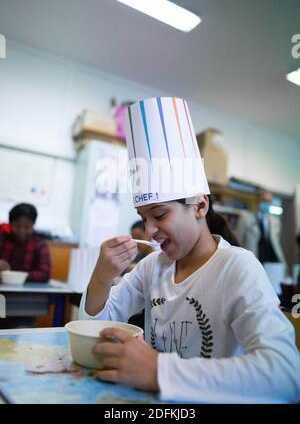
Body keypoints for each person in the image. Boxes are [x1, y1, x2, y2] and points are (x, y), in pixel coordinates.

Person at [79, 97, 300, 404]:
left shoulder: (238, 268)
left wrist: (159, 371)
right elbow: (90, 330)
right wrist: (101, 278)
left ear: (199, 205)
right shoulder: (152, 267)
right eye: (144, 219)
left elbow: (286, 375)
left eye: (159, 215)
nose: (149, 231)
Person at [0, 203, 51, 282]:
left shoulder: (40, 245)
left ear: (33, 225)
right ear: (10, 224)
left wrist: (16, 276)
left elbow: (45, 274)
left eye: (26, 227)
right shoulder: (2, 240)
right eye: (17, 226)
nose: (21, 231)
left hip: (29, 290)